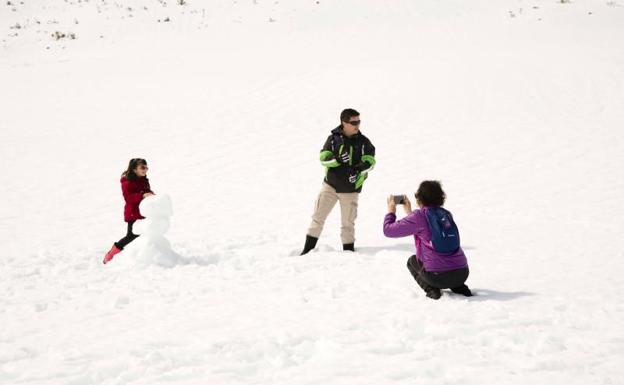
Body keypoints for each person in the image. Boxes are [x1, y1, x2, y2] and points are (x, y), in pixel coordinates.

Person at [300, 108, 376, 255]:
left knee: (348, 224)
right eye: (353, 122)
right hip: (330, 187)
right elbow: (323, 157)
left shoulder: (363, 141)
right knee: (317, 218)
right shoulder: (333, 139)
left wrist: (358, 169)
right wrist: (337, 159)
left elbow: (371, 161)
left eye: (358, 121)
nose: (357, 125)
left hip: (350, 190)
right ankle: (306, 252)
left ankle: (349, 253)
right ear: (344, 123)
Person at [382, 181, 472, 299]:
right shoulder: (446, 214)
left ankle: (432, 290)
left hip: (437, 276)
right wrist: (409, 212)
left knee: (412, 261)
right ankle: (459, 287)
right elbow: (424, 228)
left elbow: (388, 231)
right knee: (446, 260)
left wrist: (391, 212)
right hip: (462, 273)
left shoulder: (418, 217)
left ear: (419, 198)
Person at [103, 158, 154, 264]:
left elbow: (146, 191)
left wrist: (151, 195)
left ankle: (145, 256)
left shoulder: (143, 179)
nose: (145, 170)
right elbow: (128, 197)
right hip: (133, 213)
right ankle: (110, 254)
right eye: (142, 167)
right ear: (134, 169)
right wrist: (143, 195)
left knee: (148, 233)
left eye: (146, 167)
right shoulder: (127, 181)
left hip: (144, 212)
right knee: (131, 236)